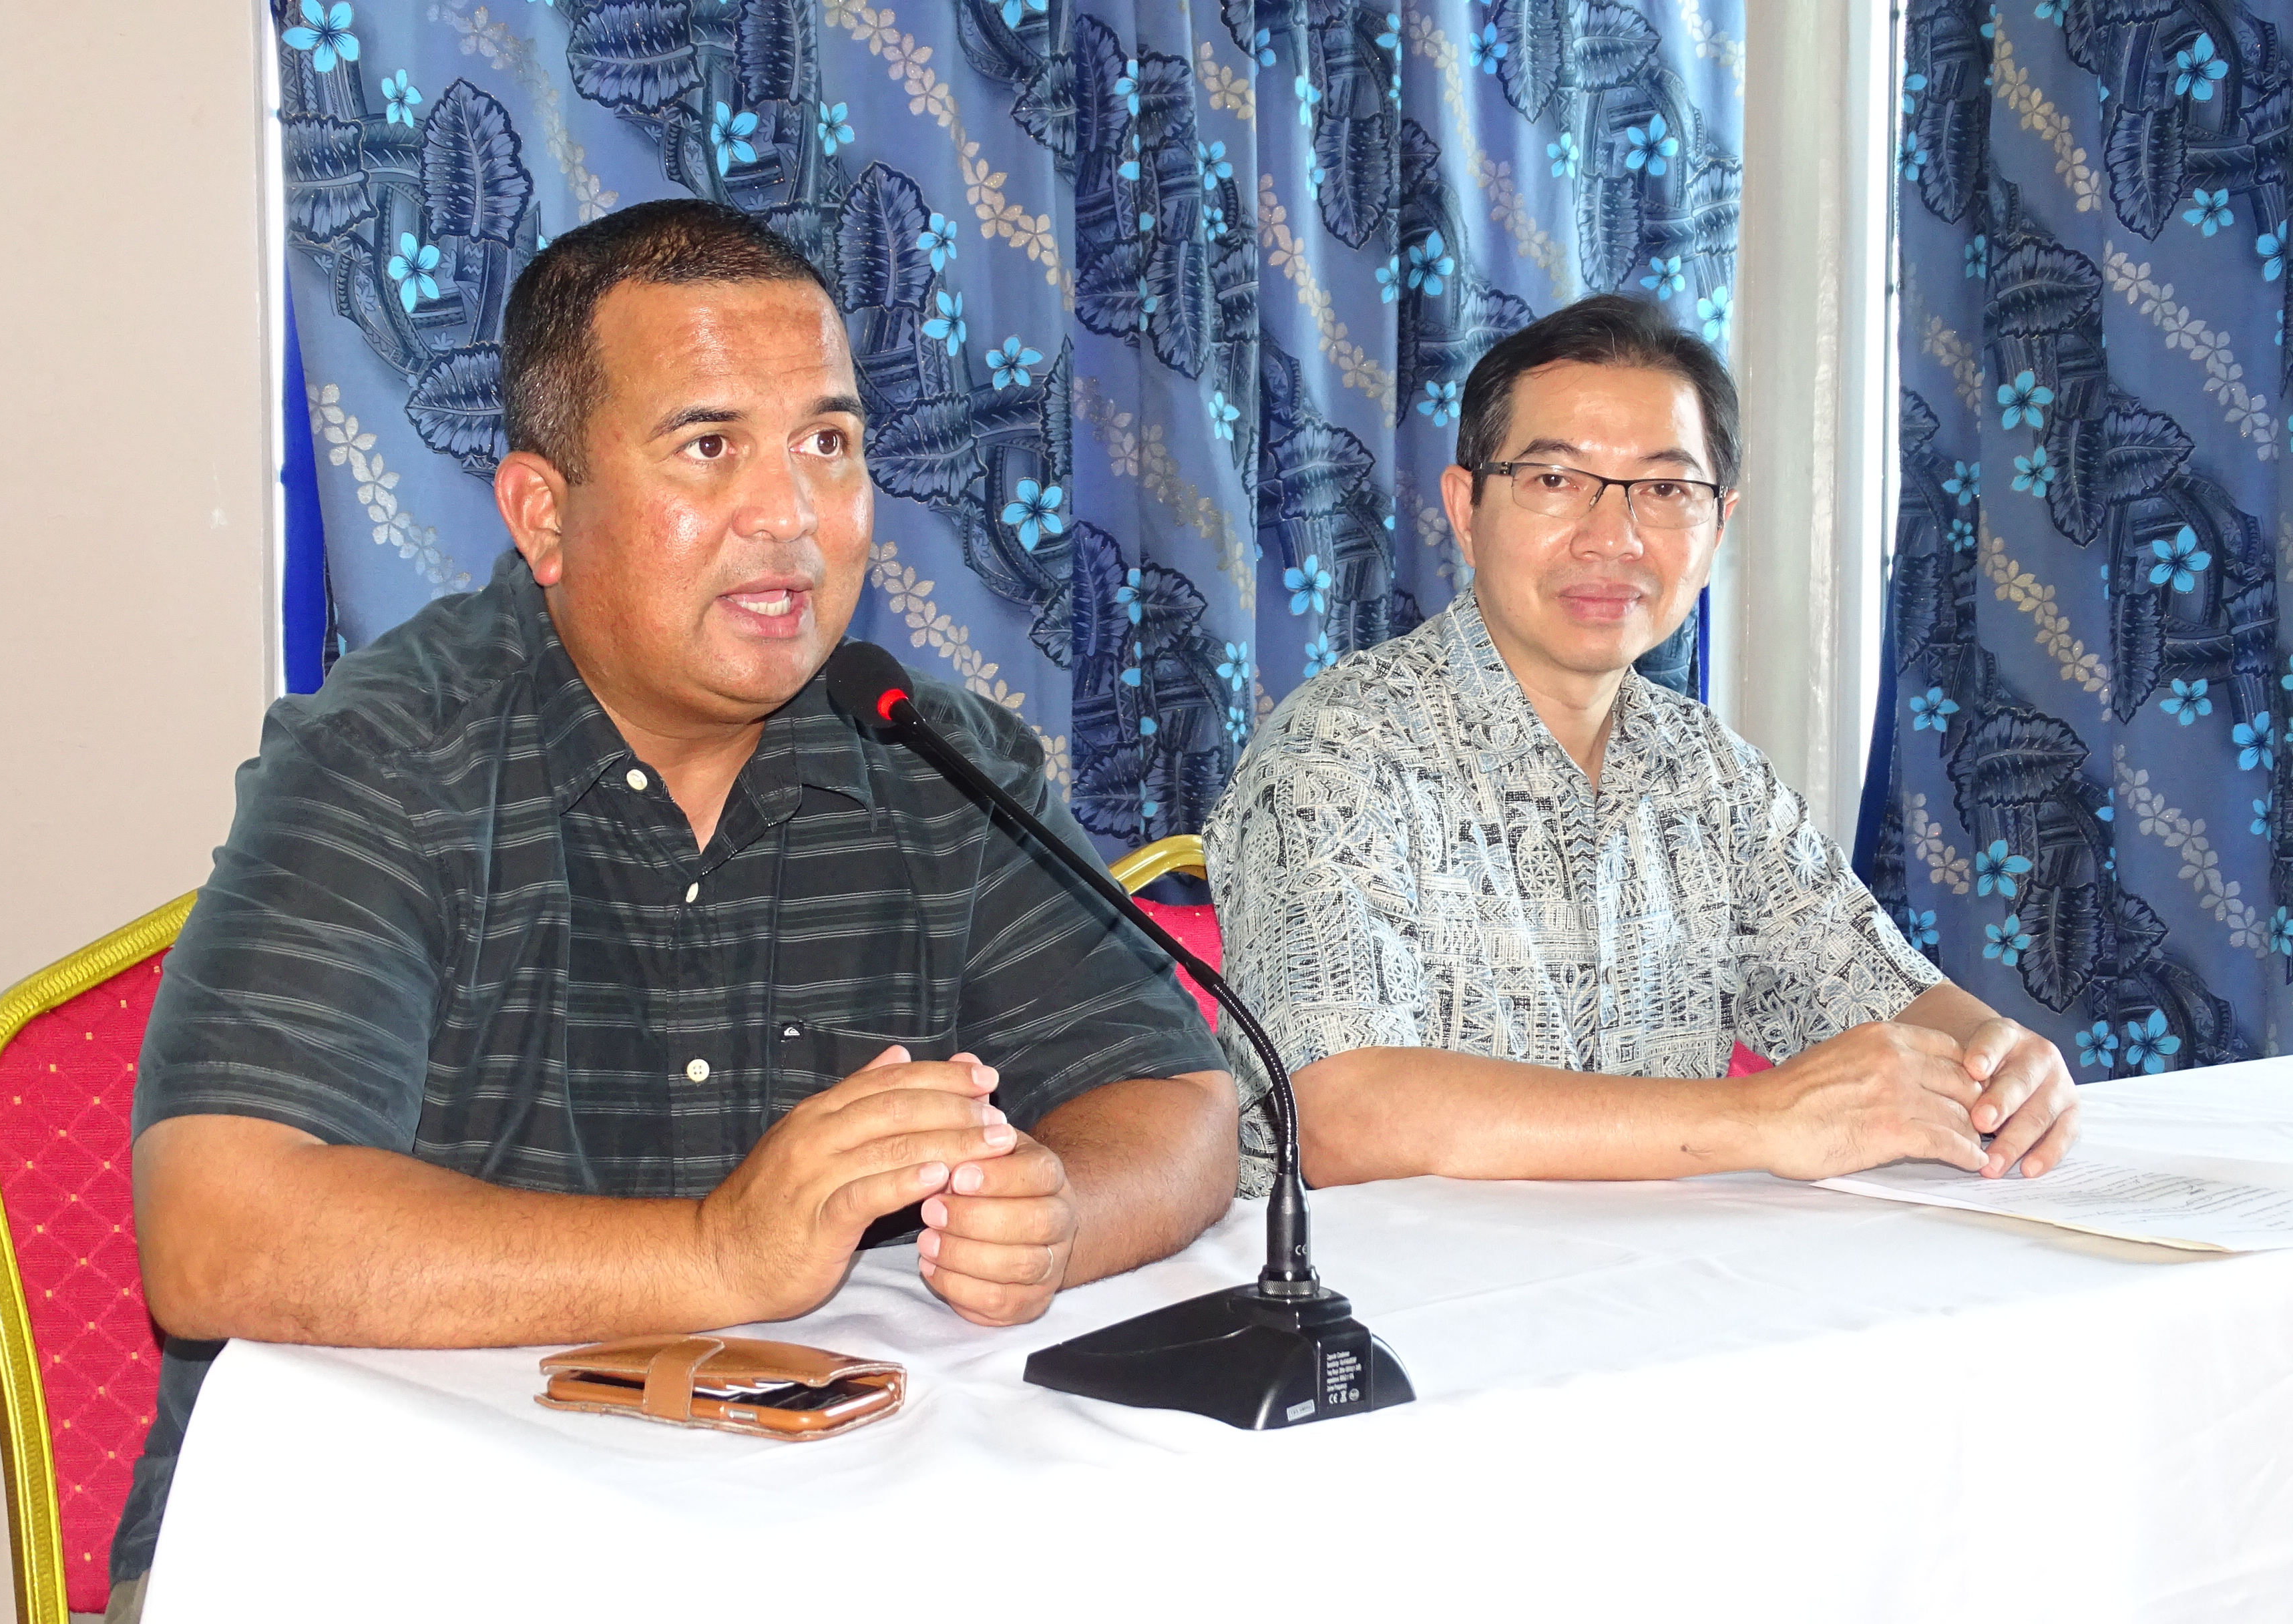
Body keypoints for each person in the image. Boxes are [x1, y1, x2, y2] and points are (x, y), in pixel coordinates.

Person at [108, 200, 1235, 1619]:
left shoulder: (926, 754)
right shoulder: (391, 758)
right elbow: (218, 1228)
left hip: (807, 1536)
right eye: (710, 447)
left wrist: (1059, 1214)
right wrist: (718, 1250)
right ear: (544, 514)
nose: (789, 516)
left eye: (827, 445)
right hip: (379, 1541)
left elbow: (1180, 1099)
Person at [1204, 294, 2078, 1196]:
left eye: (1664, 491)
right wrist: (1764, 1117)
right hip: (1375, 1278)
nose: (1612, 539)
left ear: (1718, 524)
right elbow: (1338, 1113)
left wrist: (2002, 1060)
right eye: (1554, 480)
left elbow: (1887, 998)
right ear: (1466, 509)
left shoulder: (1711, 774)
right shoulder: (1337, 754)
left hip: (1655, 1272)